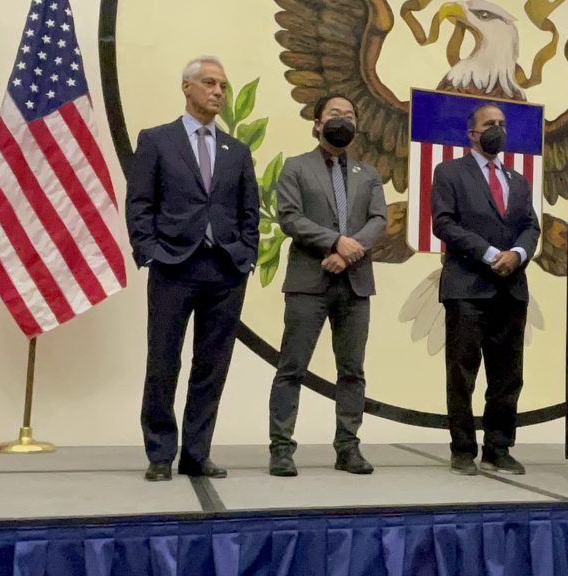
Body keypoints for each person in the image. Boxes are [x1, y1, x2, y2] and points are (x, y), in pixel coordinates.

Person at [125, 56, 259, 481]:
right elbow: (140, 203)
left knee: (211, 365)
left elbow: (249, 210)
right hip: (172, 266)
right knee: (163, 361)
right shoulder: (157, 140)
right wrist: (148, 251)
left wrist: (246, 255)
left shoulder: (236, 150)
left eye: (222, 85)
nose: (218, 91)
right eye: (209, 83)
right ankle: (160, 453)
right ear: (186, 87)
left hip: (224, 270)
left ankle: (197, 453)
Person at [268, 94, 387, 477]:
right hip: (309, 280)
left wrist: (349, 252)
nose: (343, 119)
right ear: (317, 123)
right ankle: (282, 449)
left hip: (354, 284)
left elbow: (378, 221)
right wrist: (335, 241)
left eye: (350, 114)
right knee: (292, 368)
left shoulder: (368, 174)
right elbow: (290, 218)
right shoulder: (296, 167)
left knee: (352, 370)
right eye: (335, 114)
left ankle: (348, 447)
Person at [431, 103, 541, 475]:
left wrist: (519, 253)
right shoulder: (448, 172)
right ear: (472, 134)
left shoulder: (518, 180)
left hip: (511, 288)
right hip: (467, 286)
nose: (498, 129)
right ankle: (462, 449)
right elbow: (443, 223)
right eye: (489, 124)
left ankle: (498, 446)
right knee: (462, 373)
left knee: (508, 374)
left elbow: (531, 226)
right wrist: (491, 253)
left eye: (502, 124)